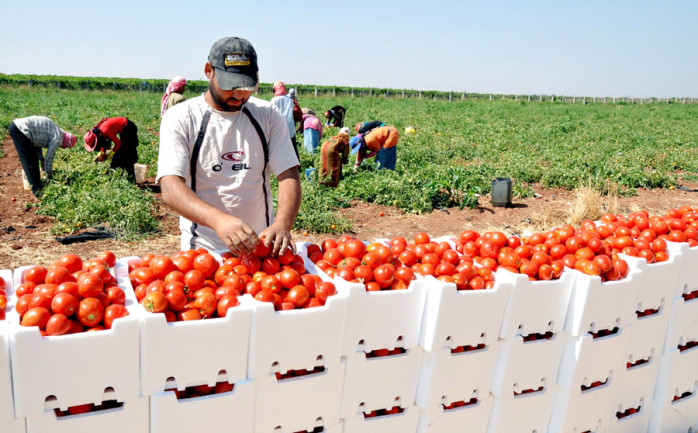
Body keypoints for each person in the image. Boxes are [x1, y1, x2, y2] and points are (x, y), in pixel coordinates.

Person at [157, 36, 301, 256]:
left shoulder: (268, 116)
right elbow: (170, 186)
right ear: (208, 71)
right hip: (204, 251)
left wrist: (282, 224)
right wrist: (219, 220)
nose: (238, 94)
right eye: (229, 84)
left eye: (246, 86)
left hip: (260, 247)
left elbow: (288, 174)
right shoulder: (181, 118)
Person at [8, 116, 77, 195]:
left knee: (33, 158)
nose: (64, 148)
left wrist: (40, 157)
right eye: (66, 147)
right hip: (20, 130)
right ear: (66, 142)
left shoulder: (57, 131)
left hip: (18, 127)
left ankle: (36, 184)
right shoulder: (57, 139)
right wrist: (49, 176)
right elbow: (49, 158)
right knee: (30, 161)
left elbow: (37, 141)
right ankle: (37, 191)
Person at [83, 117, 140, 182]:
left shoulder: (105, 130)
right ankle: (115, 173)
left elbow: (118, 143)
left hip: (129, 128)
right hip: (124, 129)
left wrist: (111, 154)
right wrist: (101, 153)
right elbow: (104, 143)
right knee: (120, 154)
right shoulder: (99, 133)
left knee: (126, 153)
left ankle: (132, 179)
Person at [270, 81, 299, 159]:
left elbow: (271, 114)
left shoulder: (274, 100)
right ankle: (296, 163)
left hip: (279, 126)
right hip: (290, 126)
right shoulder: (289, 99)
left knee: (279, 146)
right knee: (292, 146)